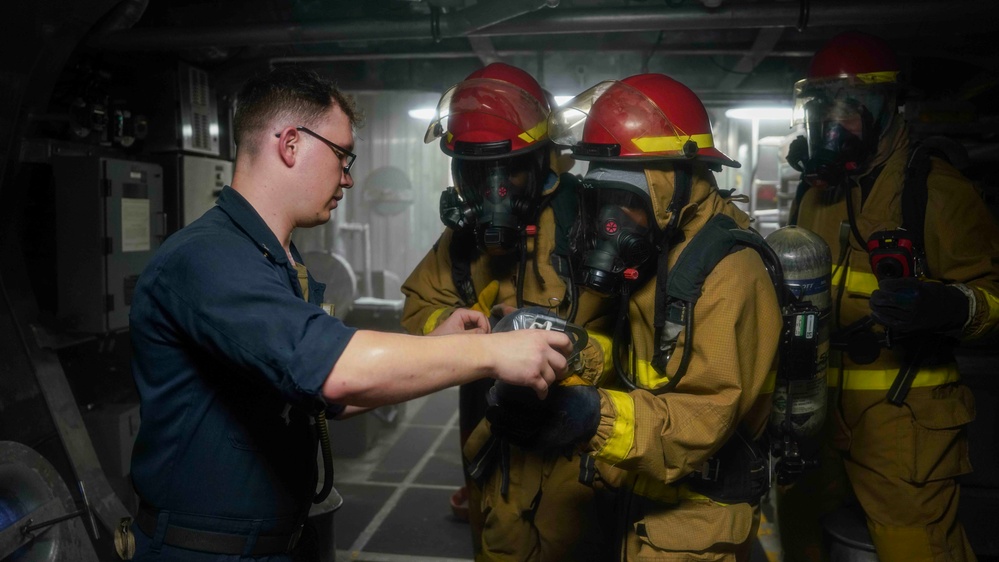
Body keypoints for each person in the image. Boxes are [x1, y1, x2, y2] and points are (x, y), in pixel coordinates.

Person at [125, 66, 573, 562]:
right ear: (291, 143)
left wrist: (437, 345)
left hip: (276, 540)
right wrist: (489, 352)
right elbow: (337, 375)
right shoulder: (209, 259)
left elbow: (327, 398)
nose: (349, 177)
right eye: (341, 155)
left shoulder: (277, 262)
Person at [487, 72, 784, 561]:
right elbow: (639, 359)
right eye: (604, 202)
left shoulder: (731, 271)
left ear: (677, 182)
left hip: (692, 524)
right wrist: (568, 351)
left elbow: (704, 415)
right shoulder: (661, 247)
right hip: (634, 493)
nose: (614, 224)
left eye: (628, 203)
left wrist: (591, 416)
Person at [778, 31, 999, 562]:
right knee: (802, 537)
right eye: (825, 104)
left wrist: (950, 306)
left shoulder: (938, 193)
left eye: (853, 105)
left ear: (889, 107)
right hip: (818, 414)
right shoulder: (815, 197)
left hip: (903, 424)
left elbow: (994, 297)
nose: (835, 121)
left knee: (916, 550)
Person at [400, 62, 616, 560]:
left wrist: (560, 342)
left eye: (512, 168)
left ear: (543, 159)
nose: (497, 191)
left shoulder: (594, 218)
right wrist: (477, 335)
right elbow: (421, 305)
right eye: (479, 171)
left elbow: (644, 341)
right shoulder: (463, 238)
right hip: (492, 440)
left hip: (577, 447)